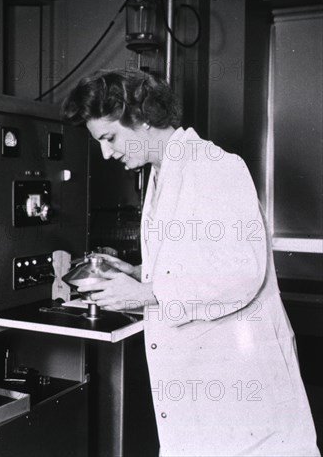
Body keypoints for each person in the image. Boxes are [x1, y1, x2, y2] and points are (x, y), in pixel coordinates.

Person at [62, 69, 320, 456]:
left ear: (142, 117)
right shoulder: (162, 173)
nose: (106, 152)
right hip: (203, 392)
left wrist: (147, 292)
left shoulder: (215, 167)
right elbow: (191, 264)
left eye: (110, 137)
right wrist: (133, 273)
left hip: (241, 392)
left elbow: (241, 274)